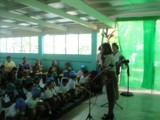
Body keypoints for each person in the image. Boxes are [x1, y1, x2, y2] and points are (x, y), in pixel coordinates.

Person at [101, 43, 119, 120]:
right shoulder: (110, 56)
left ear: (106, 49)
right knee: (111, 96)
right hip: (111, 76)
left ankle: (110, 115)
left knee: (111, 97)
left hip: (110, 77)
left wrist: (102, 60)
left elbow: (104, 68)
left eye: (102, 48)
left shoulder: (108, 57)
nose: (101, 50)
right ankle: (110, 113)